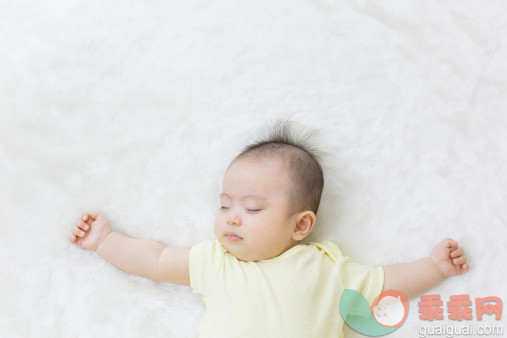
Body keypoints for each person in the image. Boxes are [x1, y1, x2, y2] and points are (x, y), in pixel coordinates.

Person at [69, 119, 470, 337]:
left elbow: (384, 284)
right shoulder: (218, 261)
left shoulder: (326, 269)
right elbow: (155, 260)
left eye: (252, 207)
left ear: (301, 225)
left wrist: (434, 267)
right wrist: (105, 241)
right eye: (225, 204)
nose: (232, 216)